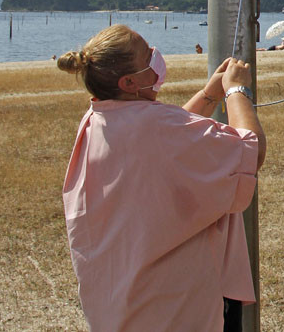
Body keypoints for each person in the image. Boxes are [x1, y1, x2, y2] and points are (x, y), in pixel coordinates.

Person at [58, 24, 266, 331]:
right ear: (129, 81)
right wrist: (237, 91)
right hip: (174, 306)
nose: (156, 55)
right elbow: (251, 150)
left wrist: (209, 95)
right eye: (147, 55)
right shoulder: (157, 126)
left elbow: (168, 143)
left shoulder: (98, 119)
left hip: (124, 301)